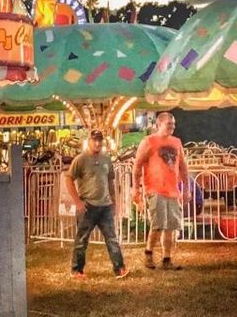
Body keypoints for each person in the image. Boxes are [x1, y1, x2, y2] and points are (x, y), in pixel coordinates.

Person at [65, 129, 127, 279]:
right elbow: (69, 179)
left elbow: (110, 181)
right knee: (82, 239)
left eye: (100, 140)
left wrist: (113, 200)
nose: (97, 143)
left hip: (105, 206)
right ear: (89, 141)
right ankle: (76, 270)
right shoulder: (80, 160)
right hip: (88, 206)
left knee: (112, 238)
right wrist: (77, 202)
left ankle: (119, 268)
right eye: (95, 140)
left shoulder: (106, 160)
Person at [134, 112, 188, 271]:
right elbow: (137, 165)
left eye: (173, 124)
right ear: (159, 124)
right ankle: (148, 253)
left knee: (170, 227)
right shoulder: (149, 141)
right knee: (157, 225)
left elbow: (183, 166)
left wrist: (186, 189)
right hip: (155, 189)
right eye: (169, 124)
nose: (172, 127)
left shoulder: (176, 142)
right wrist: (136, 188)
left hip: (172, 190)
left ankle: (166, 259)